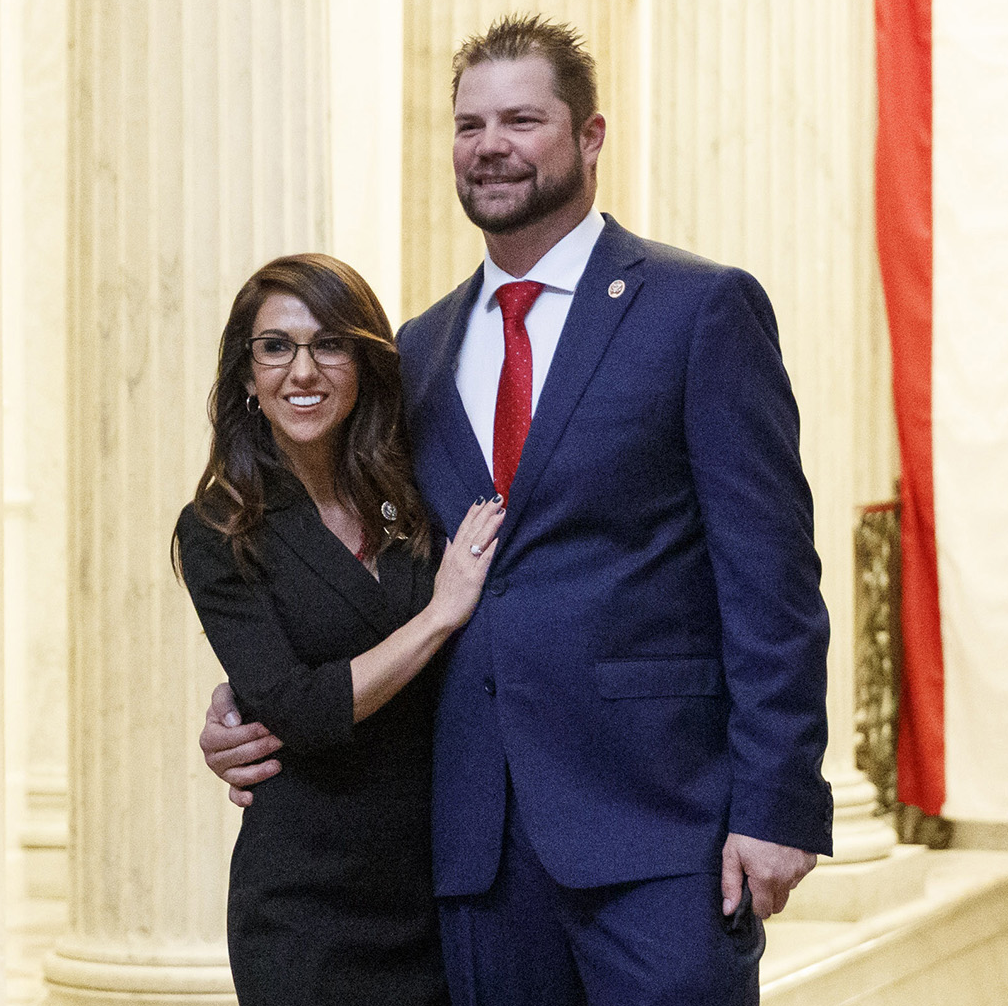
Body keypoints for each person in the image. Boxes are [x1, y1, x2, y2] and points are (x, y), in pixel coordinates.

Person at [201, 15, 833, 1005]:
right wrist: (261, 696)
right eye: (468, 125)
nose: (489, 145)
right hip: (473, 846)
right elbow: (362, 560)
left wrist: (780, 799)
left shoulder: (698, 309)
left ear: (590, 137)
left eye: (521, 119)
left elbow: (772, 581)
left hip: (659, 827)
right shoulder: (416, 347)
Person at [173, 253, 505, 1006]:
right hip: (307, 905)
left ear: (363, 362)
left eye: (330, 345)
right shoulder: (222, 529)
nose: (303, 371)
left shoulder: (406, 495)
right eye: (275, 347)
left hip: (435, 883)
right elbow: (299, 710)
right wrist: (438, 615)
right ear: (247, 374)